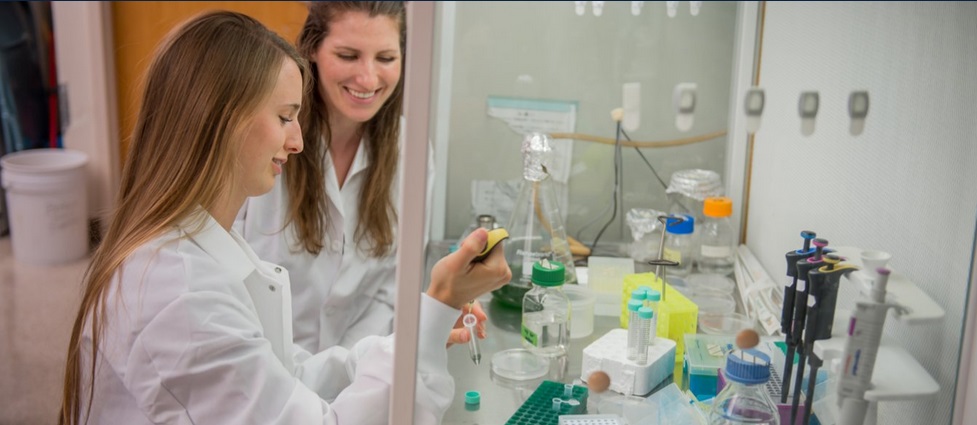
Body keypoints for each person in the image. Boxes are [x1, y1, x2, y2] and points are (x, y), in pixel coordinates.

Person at [59, 11, 510, 425]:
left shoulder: (202, 250)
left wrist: (420, 330)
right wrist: (438, 308)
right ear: (219, 120)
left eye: (386, 56)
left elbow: (281, 370)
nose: (296, 142)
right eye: (283, 117)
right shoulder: (181, 295)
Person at [233, 1, 463, 353]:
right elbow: (224, 278)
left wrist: (347, 376)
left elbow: (391, 292)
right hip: (257, 370)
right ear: (312, 49)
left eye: (385, 58)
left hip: (353, 379)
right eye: (348, 55)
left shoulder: (410, 150)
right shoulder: (264, 140)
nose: (368, 78)